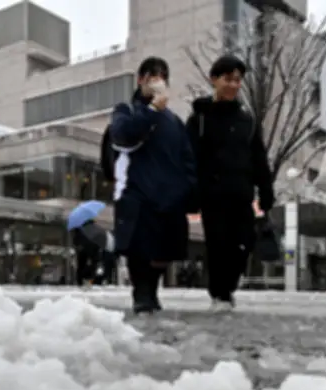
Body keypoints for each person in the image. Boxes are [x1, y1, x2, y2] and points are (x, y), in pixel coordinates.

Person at [186, 55, 275, 311]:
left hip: (242, 194)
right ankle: (220, 294)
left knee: (243, 243)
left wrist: (266, 190)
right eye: (228, 79)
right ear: (214, 80)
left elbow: (259, 157)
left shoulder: (247, 121)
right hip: (212, 195)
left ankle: (228, 288)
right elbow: (189, 159)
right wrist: (192, 193)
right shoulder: (199, 120)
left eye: (238, 80)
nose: (234, 85)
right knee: (218, 244)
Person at [107, 57, 196, 313]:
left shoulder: (175, 121)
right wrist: (153, 110)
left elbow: (187, 158)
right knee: (139, 249)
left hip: (169, 197)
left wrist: (187, 190)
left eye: (162, 77)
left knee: (163, 252)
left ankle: (152, 292)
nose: (158, 82)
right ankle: (141, 294)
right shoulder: (127, 110)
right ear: (141, 80)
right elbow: (124, 134)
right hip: (137, 192)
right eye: (152, 76)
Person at [72, 220, 116, 286]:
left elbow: (75, 240)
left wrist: (78, 245)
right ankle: (90, 279)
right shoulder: (95, 229)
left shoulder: (80, 229)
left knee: (82, 265)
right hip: (92, 249)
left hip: (83, 249)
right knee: (93, 264)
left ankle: (80, 280)